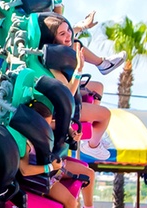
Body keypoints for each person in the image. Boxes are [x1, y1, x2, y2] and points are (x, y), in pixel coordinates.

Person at [19, 101, 105, 208]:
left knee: (90, 174)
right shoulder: (24, 141)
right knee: (71, 202)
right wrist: (49, 168)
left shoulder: (45, 125)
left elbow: (60, 125)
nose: (48, 126)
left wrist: (73, 133)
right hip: (41, 177)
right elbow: (24, 171)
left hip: (55, 164)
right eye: (45, 124)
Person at [40, 14, 112, 161]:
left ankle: (89, 131)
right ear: (53, 38)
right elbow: (67, 94)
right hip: (65, 108)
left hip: (73, 93)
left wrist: (84, 25)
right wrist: (78, 70)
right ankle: (92, 145)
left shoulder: (60, 47)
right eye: (62, 34)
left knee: (97, 87)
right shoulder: (53, 62)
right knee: (105, 115)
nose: (68, 35)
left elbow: (70, 30)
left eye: (68, 31)